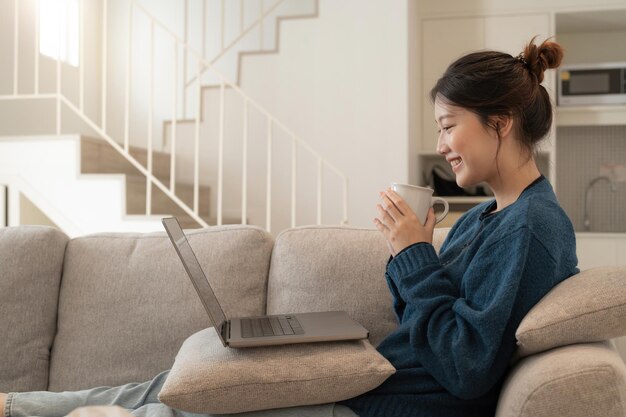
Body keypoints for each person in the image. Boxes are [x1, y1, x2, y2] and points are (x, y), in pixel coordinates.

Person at [0, 36, 578, 417]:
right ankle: (19, 406)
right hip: (365, 377)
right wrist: (409, 256)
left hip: (373, 401)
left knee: (188, 402)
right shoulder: (487, 216)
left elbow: (465, 366)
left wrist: (414, 257)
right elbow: (424, 323)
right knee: (179, 377)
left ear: (499, 123)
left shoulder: (532, 228)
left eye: (449, 126)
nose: (440, 145)